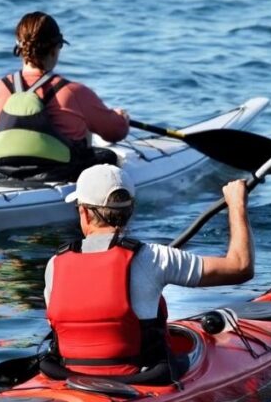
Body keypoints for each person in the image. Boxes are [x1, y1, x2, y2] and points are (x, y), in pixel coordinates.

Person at [42, 164, 254, 384]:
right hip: (140, 380)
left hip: (68, 379)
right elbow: (240, 267)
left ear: (83, 212)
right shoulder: (153, 258)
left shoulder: (55, 264)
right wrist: (237, 205)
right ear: (130, 210)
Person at [0, 12, 130, 182]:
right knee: (106, 155)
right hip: (60, 177)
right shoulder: (74, 92)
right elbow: (116, 132)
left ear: (20, 49)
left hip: (2, 178)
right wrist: (121, 118)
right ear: (55, 50)